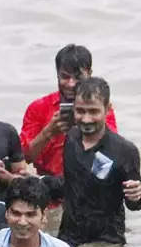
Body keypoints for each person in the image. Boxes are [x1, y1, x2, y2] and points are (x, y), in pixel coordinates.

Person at [60, 77, 141, 247]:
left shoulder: (125, 151)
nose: (86, 119)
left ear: (107, 109)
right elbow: (72, 184)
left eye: (93, 111)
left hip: (105, 243)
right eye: (80, 111)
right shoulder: (71, 138)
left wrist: (138, 194)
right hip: (68, 238)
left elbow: (135, 205)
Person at [20, 44, 118, 177]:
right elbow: (23, 158)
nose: (71, 83)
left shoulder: (99, 108)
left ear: (89, 74)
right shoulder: (38, 108)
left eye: (78, 77)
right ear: (57, 75)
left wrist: (87, 128)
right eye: (65, 77)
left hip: (88, 181)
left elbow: (111, 155)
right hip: (47, 185)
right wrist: (48, 132)